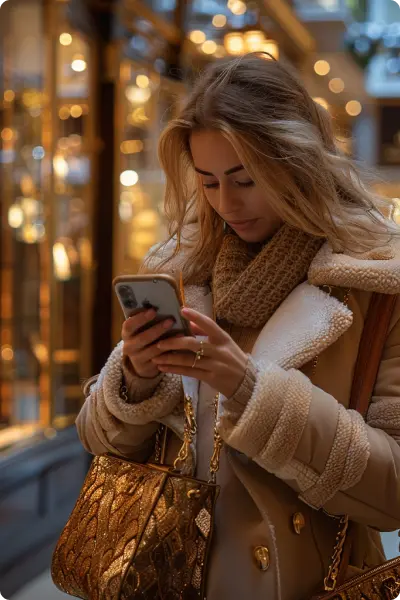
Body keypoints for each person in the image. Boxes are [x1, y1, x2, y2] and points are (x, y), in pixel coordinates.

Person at [76, 53, 400, 599]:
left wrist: (252, 391)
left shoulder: (375, 286)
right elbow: (95, 439)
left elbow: (392, 491)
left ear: (298, 165)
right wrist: (135, 378)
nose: (226, 203)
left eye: (245, 179)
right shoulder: (184, 270)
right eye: (208, 182)